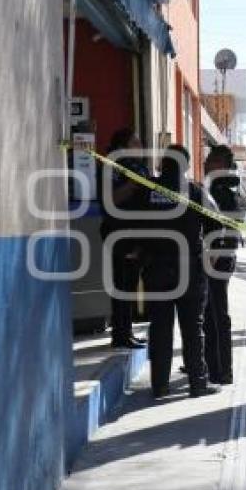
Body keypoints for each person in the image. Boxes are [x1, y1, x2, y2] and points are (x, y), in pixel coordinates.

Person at [143, 145, 221, 398]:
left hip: (156, 267)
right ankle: (198, 383)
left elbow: (134, 223)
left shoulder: (148, 190)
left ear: (163, 164)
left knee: (160, 327)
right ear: (185, 166)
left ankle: (160, 385)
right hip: (189, 267)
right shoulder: (195, 191)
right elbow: (215, 223)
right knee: (192, 328)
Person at [101, 128, 148, 349]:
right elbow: (111, 198)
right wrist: (134, 184)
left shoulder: (136, 166)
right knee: (122, 283)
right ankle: (120, 335)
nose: (140, 147)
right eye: (135, 143)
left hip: (136, 232)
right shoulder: (113, 166)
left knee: (130, 284)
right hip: (121, 231)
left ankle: (126, 331)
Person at [202, 145, 240, 385]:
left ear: (221, 165)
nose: (206, 163)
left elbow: (225, 228)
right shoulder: (218, 186)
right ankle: (211, 364)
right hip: (219, 256)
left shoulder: (222, 190)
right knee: (211, 313)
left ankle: (220, 369)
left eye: (210, 160)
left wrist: (213, 255)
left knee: (215, 315)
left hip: (218, 258)